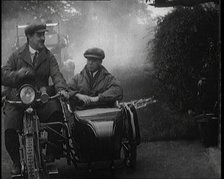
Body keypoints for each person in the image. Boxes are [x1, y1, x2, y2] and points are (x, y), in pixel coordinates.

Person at [1, 21, 69, 175]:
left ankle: (51, 153)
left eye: (44, 34)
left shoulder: (49, 56)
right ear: (29, 37)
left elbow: (57, 75)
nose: (43, 38)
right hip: (18, 100)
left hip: (40, 98)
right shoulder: (16, 55)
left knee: (55, 113)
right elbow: (3, 74)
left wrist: (62, 90)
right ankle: (16, 162)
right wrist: (17, 75)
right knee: (10, 127)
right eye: (39, 35)